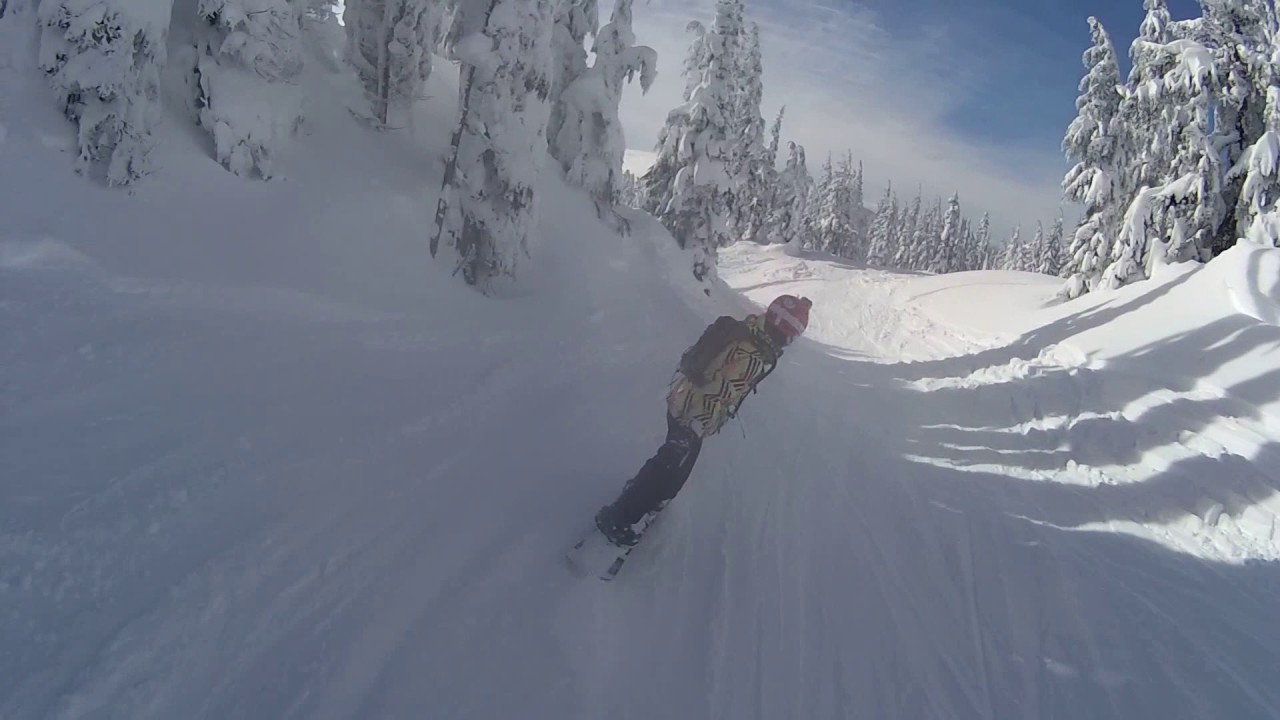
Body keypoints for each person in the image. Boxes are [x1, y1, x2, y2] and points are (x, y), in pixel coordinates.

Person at [594, 294, 814, 546]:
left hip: (686, 406)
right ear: (783, 332)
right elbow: (718, 385)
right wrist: (699, 420)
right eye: (791, 336)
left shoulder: (753, 334)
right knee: (670, 466)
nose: (790, 342)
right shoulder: (751, 351)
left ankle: (648, 494)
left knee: (674, 467)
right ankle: (618, 516)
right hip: (691, 413)